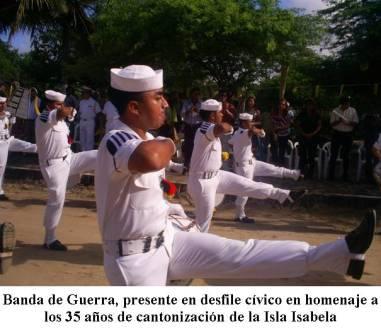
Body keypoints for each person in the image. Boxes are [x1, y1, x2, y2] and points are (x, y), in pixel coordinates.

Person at [95, 64, 376, 286]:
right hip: (135, 260)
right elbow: (150, 158)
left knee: (240, 253)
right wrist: (170, 142)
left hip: (168, 238)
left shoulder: (143, 138)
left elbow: (142, 194)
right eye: (157, 97)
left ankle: (337, 255)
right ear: (134, 107)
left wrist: (171, 210)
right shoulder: (117, 138)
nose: (166, 103)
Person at [188, 99, 305, 232]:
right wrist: (231, 127)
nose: (222, 115)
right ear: (212, 115)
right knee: (202, 225)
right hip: (202, 182)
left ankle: (284, 195)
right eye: (219, 113)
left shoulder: (213, 130)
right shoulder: (204, 129)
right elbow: (223, 128)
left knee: (249, 186)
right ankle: (196, 245)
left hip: (217, 175)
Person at [35, 90, 97, 251]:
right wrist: (70, 106)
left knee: (99, 155)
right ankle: (49, 239)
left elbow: (65, 116)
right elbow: (61, 113)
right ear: (50, 105)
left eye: (63, 104)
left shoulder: (62, 121)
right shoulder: (43, 118)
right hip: (53, 166)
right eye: (59, 104)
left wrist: (71, 112)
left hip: (69, 158)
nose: (62, 107)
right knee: (56, 198)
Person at [228, 113, 302, 223]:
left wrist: (243, 150)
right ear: (244, 122)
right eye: (249, 122)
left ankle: (295, 174)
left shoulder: (237, 133)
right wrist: (256, 129)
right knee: (244, 192)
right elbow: (258, 132)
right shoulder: (245, 132)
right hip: (244, 168)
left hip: (251, 162)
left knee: (272, 168)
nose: (251, 123)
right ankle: (239, 215)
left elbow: (231, 143)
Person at [0, 96, 37, 201]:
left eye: (4, 103)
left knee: (28, 146)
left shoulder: (8, 114)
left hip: (8, 140)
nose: (2, 105)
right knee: (1, 167)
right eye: (0, 103)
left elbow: (11, 127)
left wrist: (12, 116)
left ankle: (44, 149)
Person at [328, 96, 359, 181]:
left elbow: (356, 123)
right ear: (341, 103)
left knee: (346, 155)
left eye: (348, 103)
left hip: (348, 134)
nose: (347, 105)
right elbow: (331, 124)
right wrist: (339, 121)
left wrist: (349, 122)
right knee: (333, 155)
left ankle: (345, 175)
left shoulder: (353, 110)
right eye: (345, 103)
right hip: (337, 134)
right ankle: (331, 175)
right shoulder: (335, 110)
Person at [296, 98, 322, 179]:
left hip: (313, 137)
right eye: (308, 104)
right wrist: (304, 134)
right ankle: (300, 173)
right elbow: (297, 125)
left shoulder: (317, 114)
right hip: (303, 136)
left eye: (311, 104)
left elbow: (319, 126)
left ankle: (310, 174)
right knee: (302, 155)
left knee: (312, 156)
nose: (309, 106)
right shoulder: (302, 114)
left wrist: (312, 134)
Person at [180, 87, 202, 169]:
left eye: (198, 94)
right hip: (188, 125)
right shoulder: (186, 103)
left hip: (198, 126)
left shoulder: (201, 104)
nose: (197, 96)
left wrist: (197, 111)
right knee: (188, 144)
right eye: (195, 94)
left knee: (197, 144)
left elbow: (204, 116)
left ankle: (197, 163)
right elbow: (182, 114)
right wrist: (189, 110)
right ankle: (187, 164)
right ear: (191, 95)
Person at [270, 99, 293, 166]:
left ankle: (281, 164)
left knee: (282, 151)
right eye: (280, 104)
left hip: (285, 134)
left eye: (283, 104)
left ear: (285, 106)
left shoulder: (289, 113)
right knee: (274, 149)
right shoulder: (275, 113)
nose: (281, 106)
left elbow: (289, 125)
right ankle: (275, 164)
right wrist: (274, 133)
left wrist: (279, 128)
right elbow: (273, 124)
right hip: (276, 133)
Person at [79, 86, 101, 151]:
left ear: (89, 93)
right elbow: (80, 112)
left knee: (89, 139)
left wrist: (100, 124)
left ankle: (89, 153)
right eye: (83, 93)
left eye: (85, 93)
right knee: (82, 138)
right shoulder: (81, 102)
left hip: (90, 121)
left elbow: (99, 113)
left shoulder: (94, 102)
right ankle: (82, 152)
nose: (84, 94)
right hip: (82, 121)